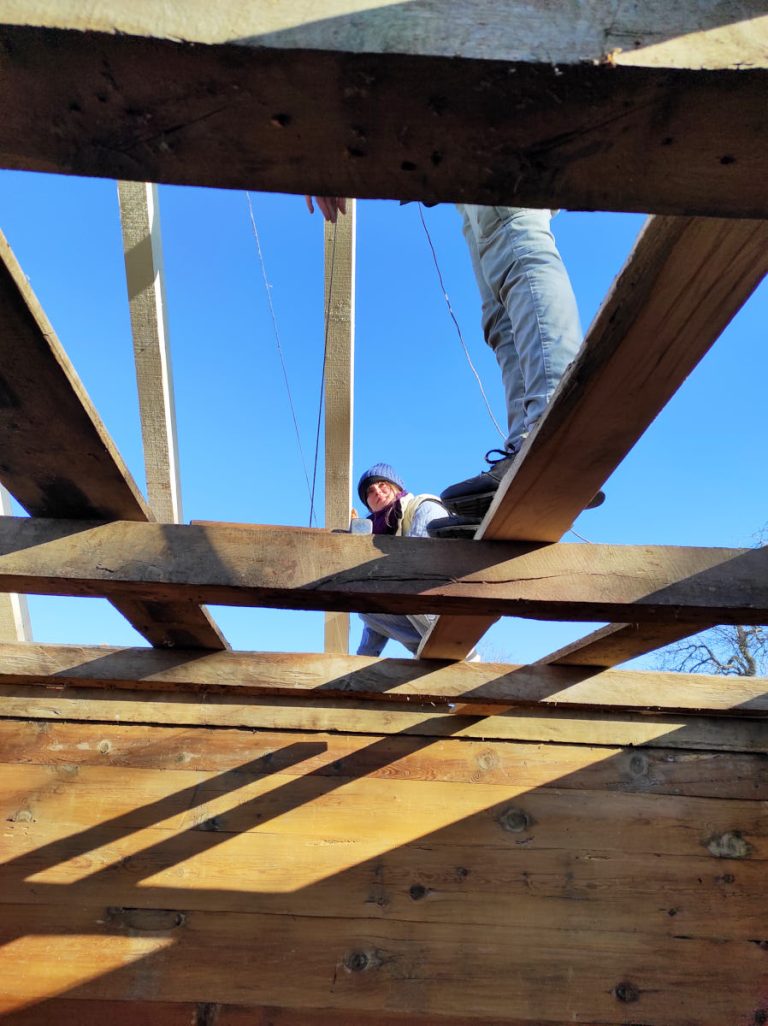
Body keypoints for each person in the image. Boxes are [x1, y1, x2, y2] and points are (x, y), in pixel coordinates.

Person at [306, 197, 603, 526]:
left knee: (518, 249)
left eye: (382, 485)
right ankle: (527, 443)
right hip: (466, 192)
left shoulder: (418, 507)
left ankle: (556, 426)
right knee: (499, 319)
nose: (376, 491)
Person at [353, 463, 472, 657]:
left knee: (398, 587)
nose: (377, 492)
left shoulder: (424, 506)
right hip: (423, 608)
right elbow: (378, 607)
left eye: (383, 485)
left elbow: (417, 569)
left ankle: (459, 649)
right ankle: (433, 652)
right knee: (366, 607)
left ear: (397, 487)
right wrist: (361, 660)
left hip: (458, 602)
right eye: (370, 492)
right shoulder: (385, 537)